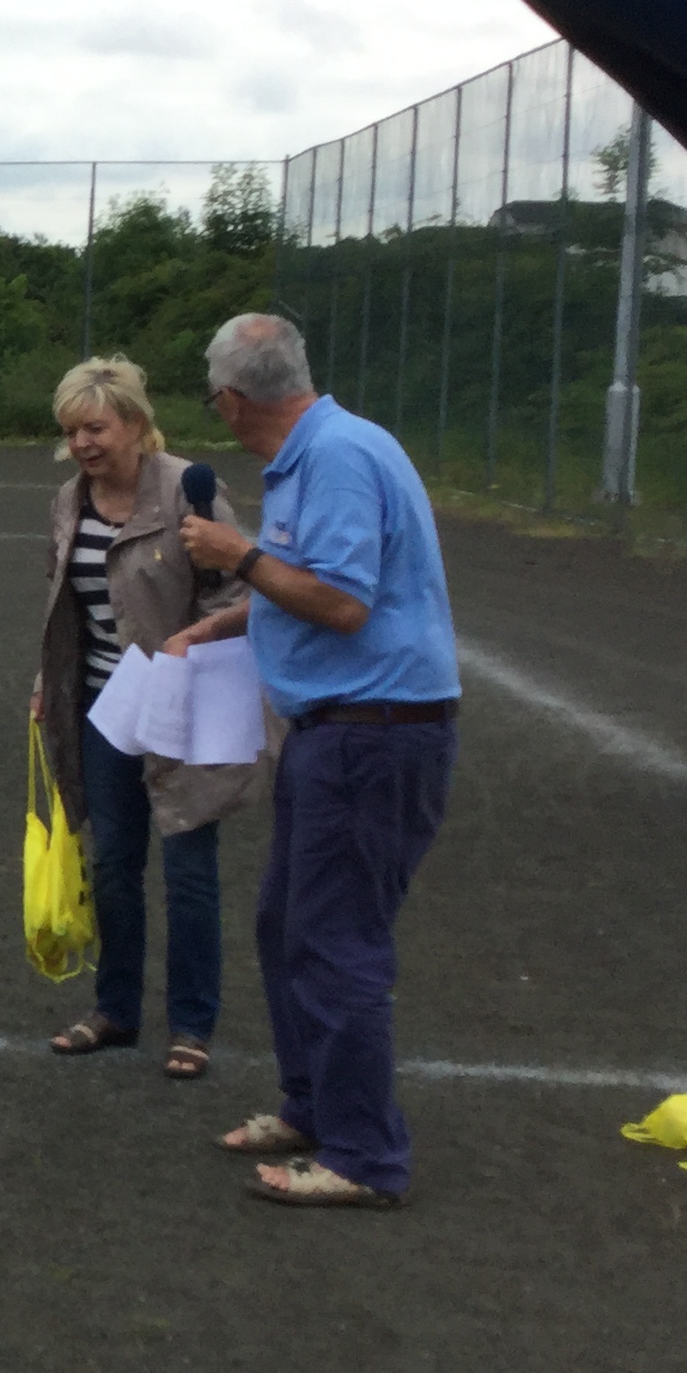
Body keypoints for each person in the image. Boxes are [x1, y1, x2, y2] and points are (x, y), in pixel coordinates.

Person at [168, 313, 459, 1210]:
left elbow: (341, 604)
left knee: (336, 941)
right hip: (338, 732)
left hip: (372, 734)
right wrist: (222, 623)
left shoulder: (335, 458)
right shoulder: (320, 452)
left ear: (230, 398)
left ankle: (365, 1156)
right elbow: (308, 588)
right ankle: (315, 1109)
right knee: (286, 923)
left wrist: (238, 555)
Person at [31, 357, 260, 1081]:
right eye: (72, 432)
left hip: (187, 703)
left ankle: (192, 1025)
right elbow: (65, 601)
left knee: (188, 866)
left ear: (134, 423)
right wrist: (48, 678)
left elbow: (244, 592)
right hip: (105, 708)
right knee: (113, 865)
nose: (82, 444)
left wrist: (193, 641)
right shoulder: (69, 500)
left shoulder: (189, 489)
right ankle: (115, 1009)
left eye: (95, 428)